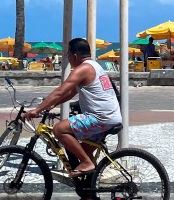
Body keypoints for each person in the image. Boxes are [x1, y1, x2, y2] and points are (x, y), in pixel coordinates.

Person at [26, 37, 122, 180]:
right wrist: (51, 104)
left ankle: (86, 163)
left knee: (59, 129)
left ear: (75, 56)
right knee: (82, 151)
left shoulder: (82, 69)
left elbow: (60, 91)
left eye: (68, 55)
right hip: (110, 117)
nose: (68, 58)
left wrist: (37, 110)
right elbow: (70, 93)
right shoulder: (95, 66)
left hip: (99, 118)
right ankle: (89, 193)